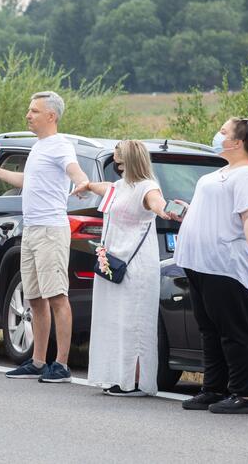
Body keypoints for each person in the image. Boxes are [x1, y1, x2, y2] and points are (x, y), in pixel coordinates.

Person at [0, 91, 90, 382]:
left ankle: (62, 364)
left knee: (57, 296)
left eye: (34, 111)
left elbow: (74, 170)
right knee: (34, 298)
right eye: (29, 110)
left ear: (51, 116)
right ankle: (38, 361)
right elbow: (27, 181)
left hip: (50, 231)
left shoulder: (60, 146)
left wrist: (82, 182)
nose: (28, 115)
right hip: (30, 230)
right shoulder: (38, 147)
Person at [173, 116, 248, 414]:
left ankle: (241, 394)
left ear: (237, 142)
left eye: (223, 132)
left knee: (235, 331)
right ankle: (213, 388)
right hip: (199, 262)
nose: (218, 135)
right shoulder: (223, 172)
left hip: (225, 265)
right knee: (209, 329)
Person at [73, 140, 170, 396]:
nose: (115, 164)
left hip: (136, 266)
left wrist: (165, 210)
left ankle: (136, 381)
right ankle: (118, 375)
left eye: (118, 159)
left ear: (129, 159)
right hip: (112, 263)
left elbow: (156, 202)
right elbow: (103, 188)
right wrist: (87, 185)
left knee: (134, 322)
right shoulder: (119, 186)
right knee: (114, 320)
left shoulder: (147, 187)